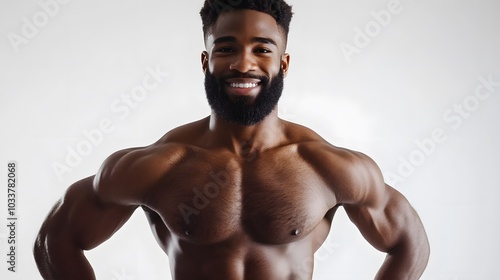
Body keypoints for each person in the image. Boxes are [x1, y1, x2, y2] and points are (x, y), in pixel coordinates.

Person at [34, 0, 430, 279]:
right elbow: (56, 241)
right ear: (206, 60)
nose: (244, 63)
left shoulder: (327, 166)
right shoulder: (158, 166)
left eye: (262, 49)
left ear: (283, 63)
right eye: (226, 49)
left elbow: (409, 243)